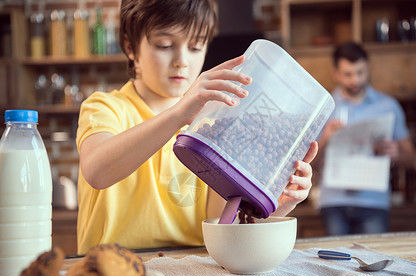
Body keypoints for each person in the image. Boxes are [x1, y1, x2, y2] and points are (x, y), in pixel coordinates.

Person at [75, 0, 318, 254]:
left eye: (195, 46)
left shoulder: (212, 126)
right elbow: (96, 171)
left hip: (189, 271)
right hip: (112, 268)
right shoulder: (105, 107)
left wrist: (274, 202)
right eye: (165, 45)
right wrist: (178, 116)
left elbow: (222, 223)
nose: (182, 61)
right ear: (130, 46)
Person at [315, 42, 415, 236]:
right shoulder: (323, 108)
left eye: (360, 72)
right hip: (333, 202)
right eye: (348, 74)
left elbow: (412, 159)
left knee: (374, 262)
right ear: (335, 73)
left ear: (368, 68)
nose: (355, 80)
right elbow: (307, 164)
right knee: (336, 264)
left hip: (374, 202)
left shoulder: (389, 106)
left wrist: (396, 153)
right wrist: (326, 137)